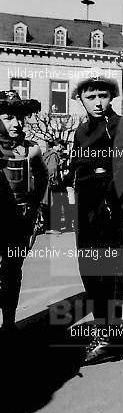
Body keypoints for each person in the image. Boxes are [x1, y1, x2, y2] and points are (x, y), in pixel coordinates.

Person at [64, 77, 123, 363]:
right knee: (90, 270)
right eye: (91, 96)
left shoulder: (121, 125)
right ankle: (102, 329)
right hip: (85, 205)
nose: (97, 102)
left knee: (109, 273)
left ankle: (111, 341)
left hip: (109, 207)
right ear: (80, 98)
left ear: (111, 98)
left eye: (103, 96)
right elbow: (76, 167)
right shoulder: (81, 131)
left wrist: (109, 200)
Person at [0, 90, 47, 333]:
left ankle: (9, 322)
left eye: (20, 118)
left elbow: (42, 180)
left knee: (12, 273)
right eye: (9, 117)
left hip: (19, 224)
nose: (16, 124)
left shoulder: (32, 150)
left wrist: (35, 210)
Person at [43, 139, 70, 232]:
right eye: (62, 146)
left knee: (47, 205)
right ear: (58, 145)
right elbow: (52, 170)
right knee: (53, 205)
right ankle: (51, 227)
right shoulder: (53, 155)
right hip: (51, 184)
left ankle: (48, 226)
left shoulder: (47, 154)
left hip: (46, 184)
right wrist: (55, 182)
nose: (62, 149)